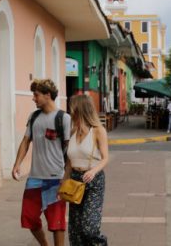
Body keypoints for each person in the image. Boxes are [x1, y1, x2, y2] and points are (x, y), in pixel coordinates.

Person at [12, 79, 72, 246]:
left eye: (36, 95)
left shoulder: (64, 118)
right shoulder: (34, 117)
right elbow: (25, 141)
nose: (33, 98)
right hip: (35, 178)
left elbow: (70, 151)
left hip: (56, 178)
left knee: (56, 223)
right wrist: (17, 163)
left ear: (47, 95)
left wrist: (67, 177)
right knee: (29, 218)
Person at [66, 94, 109, 246]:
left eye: (72, 109)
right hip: (75, 181)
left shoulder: (98, 130)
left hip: (93, 181)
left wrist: (93, 171)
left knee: (89, 227)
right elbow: (69, 162)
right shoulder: (72, 132)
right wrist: (63, 183)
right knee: (75, 230)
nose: (70, 112)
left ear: (80, 110)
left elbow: (105, 158)